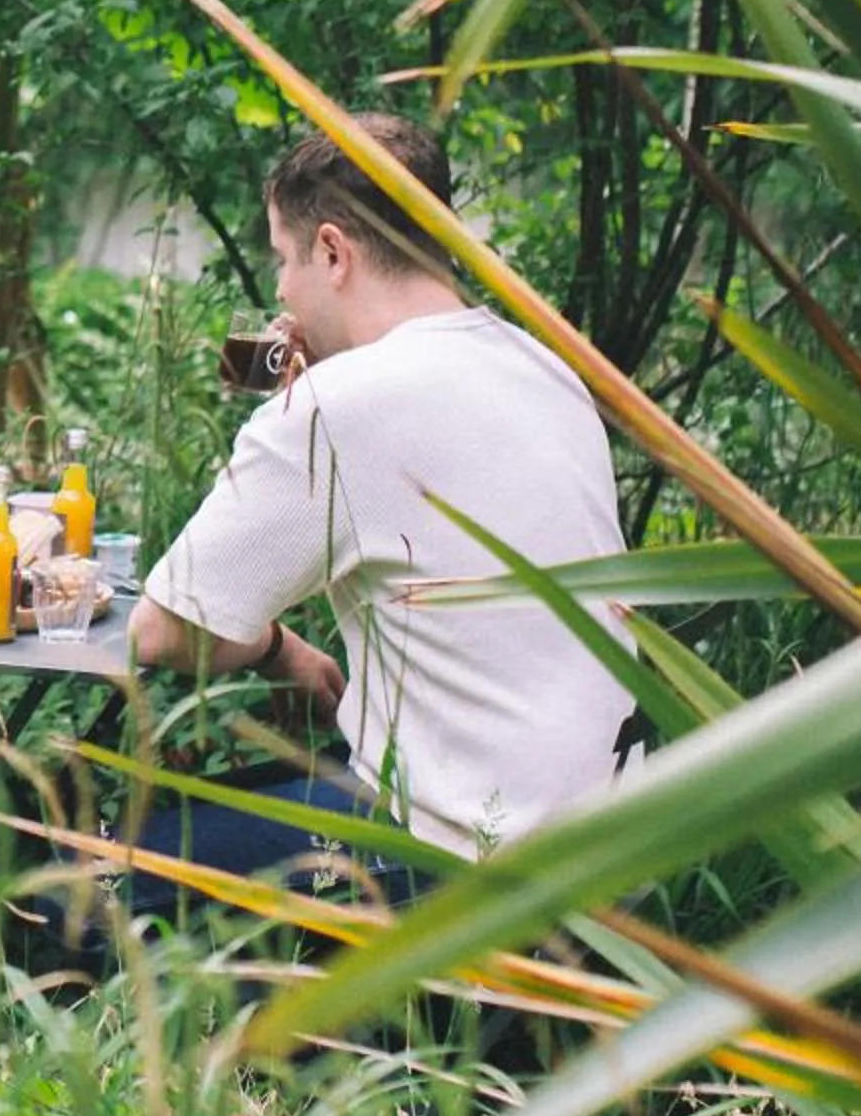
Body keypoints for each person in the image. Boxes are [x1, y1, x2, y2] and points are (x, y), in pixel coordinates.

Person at [124, 115, 636, 918]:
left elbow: (165, 632)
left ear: (332, 252)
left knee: (98, 874)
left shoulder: (340, 407)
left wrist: (278, 648)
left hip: (466, 861)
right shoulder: (541, 365)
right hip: (613, 848)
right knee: (254, 796)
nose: (282, 292)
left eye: (283, 261)